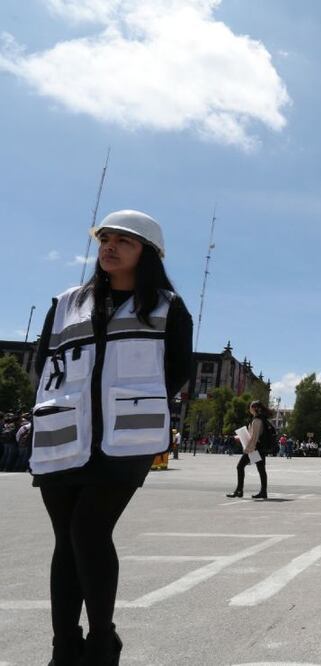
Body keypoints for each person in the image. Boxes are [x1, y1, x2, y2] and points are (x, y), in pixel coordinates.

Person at [30, 210, 193, 664]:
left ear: (148, 254)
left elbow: (176, 370)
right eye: (106, 238)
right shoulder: (66, 303)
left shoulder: (167, 306)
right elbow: (44, 364)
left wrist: (134, 402)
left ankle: (102, 638)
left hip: (126, 440)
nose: (110, 246)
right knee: (66, 539)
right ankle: (64, 646)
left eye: (125, 240)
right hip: (63, 433)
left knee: (89, 530)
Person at [226, 401, 272, 499]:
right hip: (258, 448)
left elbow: (254, 437)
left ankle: (239, 490)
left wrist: (247, 450)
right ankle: (263, 492)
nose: (249, 408)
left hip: (254, 449)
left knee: (240, 467)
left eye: (250, 406)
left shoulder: (257, 420)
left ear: (254, 408)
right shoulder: (260, 419)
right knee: (261, 469)